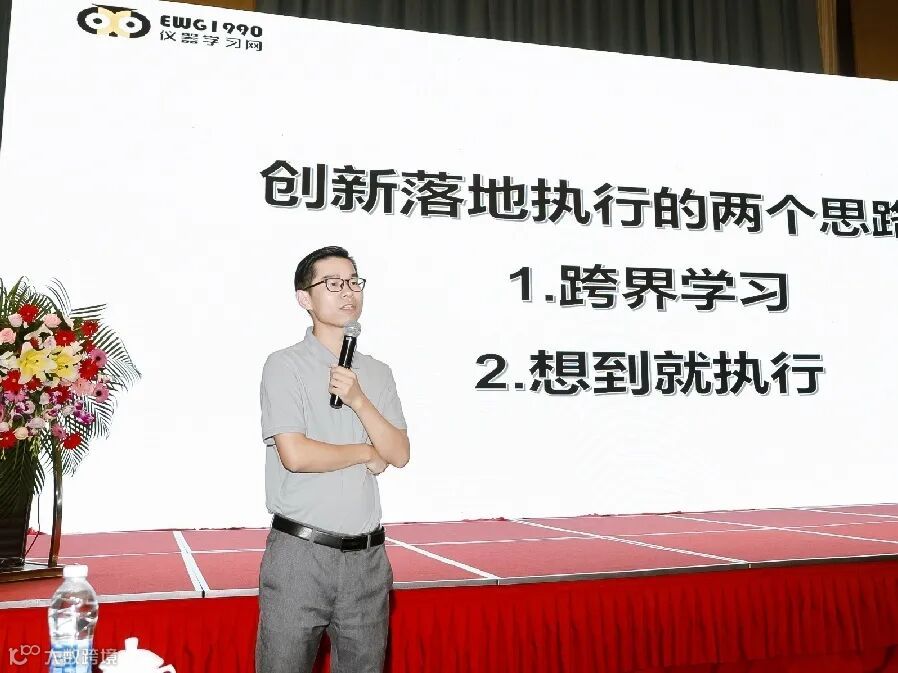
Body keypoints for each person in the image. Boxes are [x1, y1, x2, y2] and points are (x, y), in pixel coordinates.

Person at [255, 245, 410, 673]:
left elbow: (399, 453)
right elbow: (295, 454)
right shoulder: (283, 365)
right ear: (304, 298)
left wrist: (359, 399)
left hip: (367, 561)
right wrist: (365, 452)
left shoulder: (377, 373)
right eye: (334, 283)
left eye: (354, 282)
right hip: (300, 556)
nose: (348, 292)